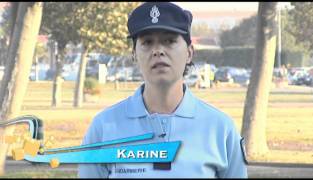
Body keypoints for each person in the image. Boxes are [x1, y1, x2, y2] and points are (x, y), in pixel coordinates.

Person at [78, 2, 248, 178]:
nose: (158, 51)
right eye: (147, 42)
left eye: (169, 41)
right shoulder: (104, 127)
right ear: (134, 54)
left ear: (189, 52)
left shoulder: (220, 129)